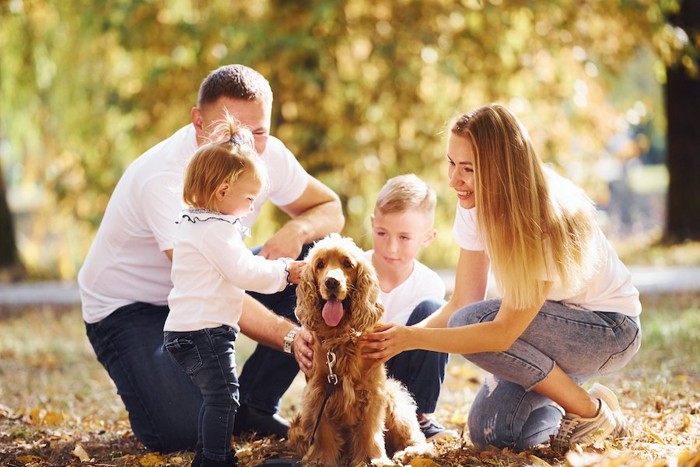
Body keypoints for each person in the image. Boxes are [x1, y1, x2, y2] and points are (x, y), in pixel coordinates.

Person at [78, 64, 344, 454]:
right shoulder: (167, 177)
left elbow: (330, 208)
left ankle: (252, 404)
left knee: (313, 262)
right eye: (231, 129)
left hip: (215, 276)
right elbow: (208, 287)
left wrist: (297, 231)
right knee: (183, 431)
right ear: (198, 121)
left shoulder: (266, 154)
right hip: (129, 308)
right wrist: (289, 337)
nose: (248, 145)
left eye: (259, 132)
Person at [360, 104, 641, 452]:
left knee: (474, 322)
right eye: (451, 163)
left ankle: (589, 412)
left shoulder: (540, 218)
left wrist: (411, 338)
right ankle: (565, 404)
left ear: (499, 169)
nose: (454, 180)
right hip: (546, 331)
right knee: (493, 432)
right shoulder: (474, 204)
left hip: (609, 331)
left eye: (467, 169)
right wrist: (395, 340)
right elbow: (463, 298)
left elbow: (502, 332)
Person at [164, 118, 305, 467]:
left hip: (188, 331)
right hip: (204, 333)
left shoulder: (192, 222)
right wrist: (286, 271)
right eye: (249, 198)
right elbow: (246, 271)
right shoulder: (216, 231)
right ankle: (216, 459)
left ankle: (211, 455)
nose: (252, 207)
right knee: (225, 397)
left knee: (217, 397)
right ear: (223, 192)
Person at [367, 174, 456, 440]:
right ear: (372, 225)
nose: (391, 247)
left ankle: (419, 419)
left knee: (435, 310)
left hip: (401, 374)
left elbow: (425, 340)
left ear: (427, 237)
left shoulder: (428, 284)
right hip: (357, 370)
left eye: (404, 237)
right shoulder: (354, 269)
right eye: (382, 233)